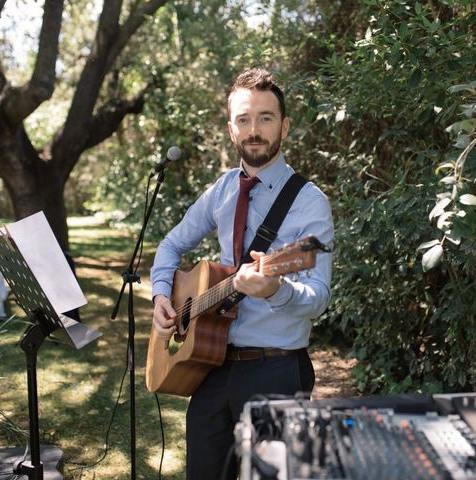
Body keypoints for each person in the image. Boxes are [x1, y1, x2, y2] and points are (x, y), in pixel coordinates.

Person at [150, 67, 334, 479]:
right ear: (232, 129)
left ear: (284, 127)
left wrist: (275, 289)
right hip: (213, 366)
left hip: (277, 371)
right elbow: (170, 245)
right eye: (244, 119)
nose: (255, 130)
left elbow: (319, 296)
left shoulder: (309, 203)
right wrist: (162, 295)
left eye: (265, 118)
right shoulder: (221, 190)